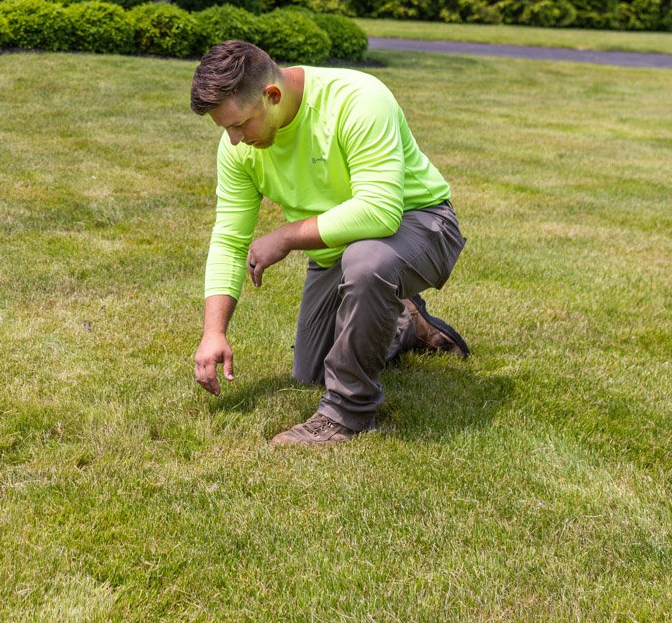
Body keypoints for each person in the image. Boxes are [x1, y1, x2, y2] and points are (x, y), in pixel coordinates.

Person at [190, 40, 470, 447]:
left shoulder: (358, 99)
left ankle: (347, 415)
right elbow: (230, 240)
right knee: (311, 371)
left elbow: (380, 212)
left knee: (367, 260)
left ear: (272, 96)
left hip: (423, 223)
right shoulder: (238, 150)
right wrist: (213, 332)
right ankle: (404, 323)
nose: (234, 139)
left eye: (239, 125)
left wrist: (287, 236)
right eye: (225, 129)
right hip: (339, 248)